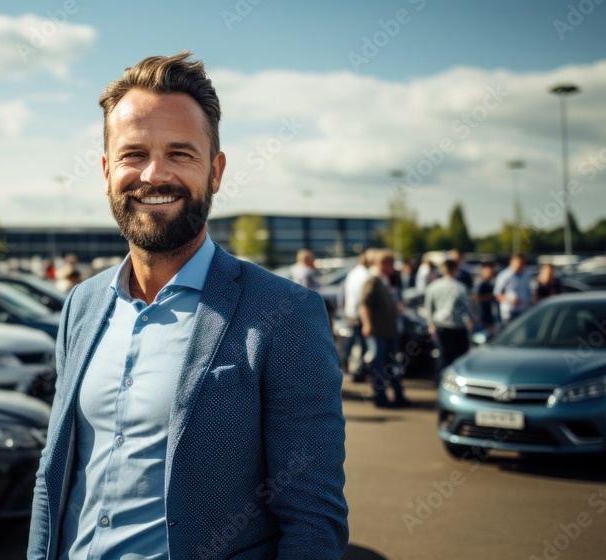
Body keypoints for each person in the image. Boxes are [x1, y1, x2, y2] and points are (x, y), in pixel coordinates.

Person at [29, 52, 348, 560]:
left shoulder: (284, 315)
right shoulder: (82, 306)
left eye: (181, 154)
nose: (154, 175)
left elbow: (314, 521)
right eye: (134, 154)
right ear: (108, 170)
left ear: (216, 172)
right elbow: (54, 477)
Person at [360, 249, 409, 409]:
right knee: (380, 366)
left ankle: (395, 395)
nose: (393, 268)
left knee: (389, 365)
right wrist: (367, 324)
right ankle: (380, 398)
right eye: (391, 264)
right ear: (384, 264)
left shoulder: (383, 280)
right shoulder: (373, 280)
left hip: (387, 331)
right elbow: (364, 305)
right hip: (380, 332)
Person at [425, 259, 474, 376]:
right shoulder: (460, 287)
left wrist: (430, 324)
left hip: (440, 326)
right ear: (454, 269)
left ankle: (440, 381)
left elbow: (429, 308)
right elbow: (466, 308)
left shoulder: (433, 286)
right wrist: (470, 320)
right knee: (460, 357)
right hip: (457, 326)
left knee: (443, 356)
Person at [339, 249, 373, 381]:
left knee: (350, 344)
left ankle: (343, 368)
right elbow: (364, 299)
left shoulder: (353, 273)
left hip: (350, 312)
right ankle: (358, 373)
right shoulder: (365, 275)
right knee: (360, 345)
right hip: (359, 315)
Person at [494, 254, 532, 323]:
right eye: (517, 263)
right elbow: (497, 294)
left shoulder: (526, 275)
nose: (519, 266)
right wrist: (510, 299)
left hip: (523, 309)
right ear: (511, 263)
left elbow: (528, 291)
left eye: (521, 263)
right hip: (509, 311)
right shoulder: (504, 275)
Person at [472, 262, 498, 334]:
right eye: (488, 271)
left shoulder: (490, 283)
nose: (491, 273)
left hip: (488, 317)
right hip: (481, 317)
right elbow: (474, 298)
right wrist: (491, 297)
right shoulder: (481, 283)